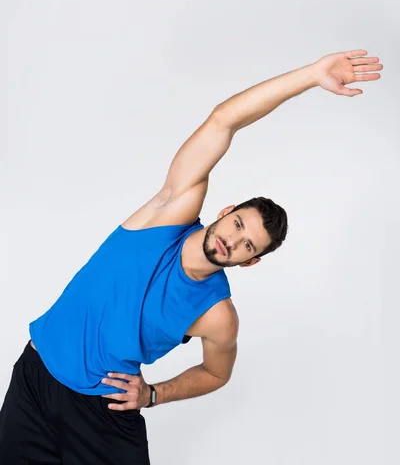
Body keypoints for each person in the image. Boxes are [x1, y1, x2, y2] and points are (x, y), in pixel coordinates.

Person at [0, 49, 382, 464]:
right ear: (225, 212)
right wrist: (310, 75)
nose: (232, 241)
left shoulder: (217, 314)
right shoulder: (168, 213)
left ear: (249, 262)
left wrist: (153, 394)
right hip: (35, 379)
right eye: (237, 225)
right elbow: (224, 119)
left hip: (104, 416)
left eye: (247, 246)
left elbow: (217, 373)